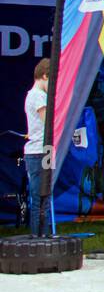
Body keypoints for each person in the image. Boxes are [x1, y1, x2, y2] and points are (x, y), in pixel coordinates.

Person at [23, 58, 49, 234]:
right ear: (45, 76)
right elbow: (47, 121)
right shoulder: (37, 95)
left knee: (45, 198)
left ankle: (43, 235)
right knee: (39, 199)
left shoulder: (37, 95)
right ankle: (37, 237)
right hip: (37, 152)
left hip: (44, 150)